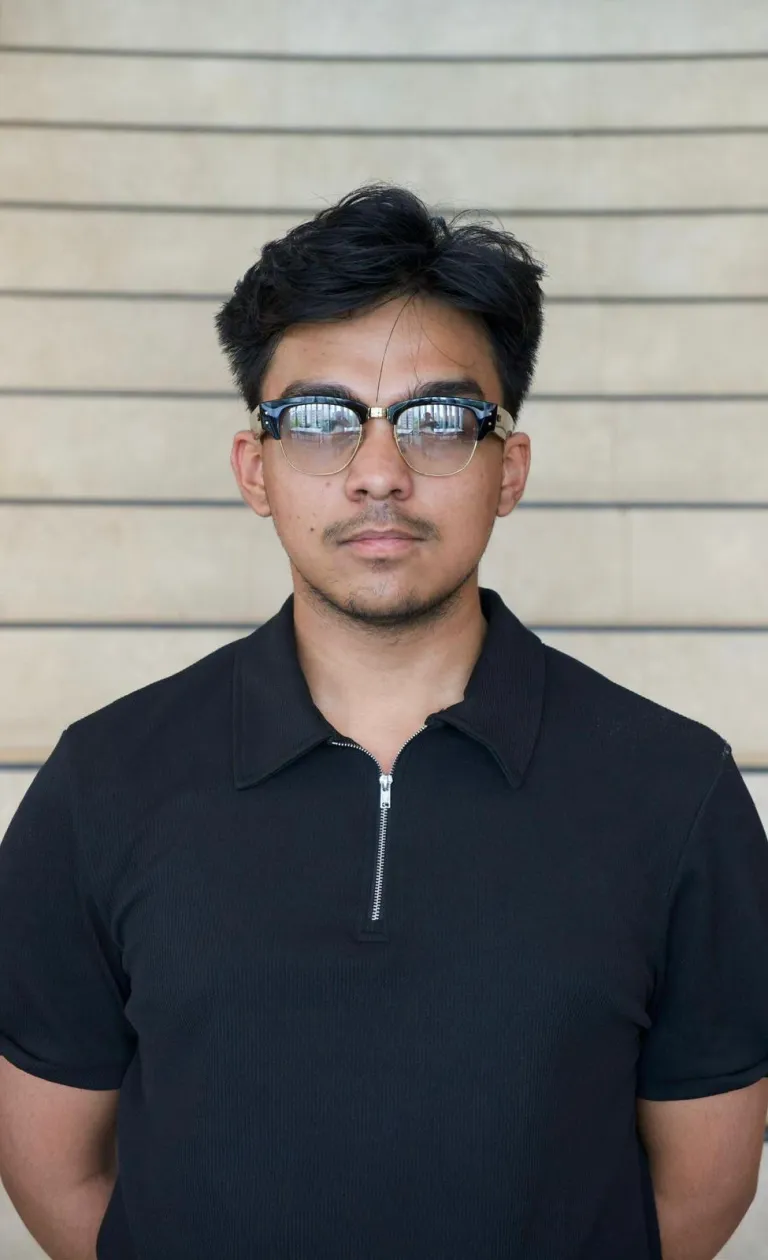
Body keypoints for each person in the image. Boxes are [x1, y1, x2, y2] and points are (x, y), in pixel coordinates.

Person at [0, 184, 767, 1260]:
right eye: (319, 420)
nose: (378, 474)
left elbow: (696, 1192)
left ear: (510, 470)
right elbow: (59, 1171)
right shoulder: (104, 780)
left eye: (438, 421)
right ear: (254, 468)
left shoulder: (676, 792)